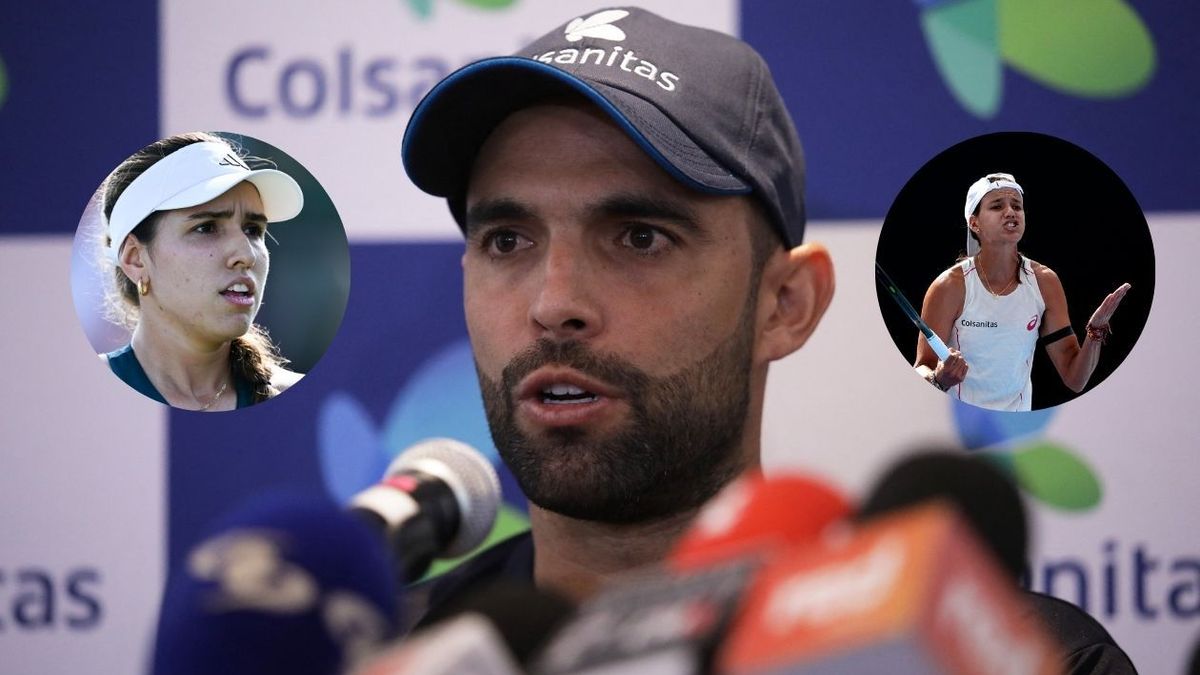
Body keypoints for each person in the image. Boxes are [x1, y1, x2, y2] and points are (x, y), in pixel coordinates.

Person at [400, 7, 1135, 673]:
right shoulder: (390, 653)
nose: (554, 303)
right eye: (506, 239)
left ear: (787, 303)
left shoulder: (1012, 659)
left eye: (639, 236)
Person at [99, 132, 305, 410]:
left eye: (253, 230)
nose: (246, 255)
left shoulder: (297, 399)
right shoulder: (81, 398)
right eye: (206, 228)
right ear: (136, 259)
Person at [913, 172, 1131, 411]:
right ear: (974, 223)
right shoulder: (949, 287)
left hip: (1016, 429)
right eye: (997, 206)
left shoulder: (1044, 282)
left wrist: (1095, 332)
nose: (1010, 212)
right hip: (960, 424)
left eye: (1016, 205)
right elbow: (922, 367)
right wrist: (939, 379)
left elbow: (1075, 379)